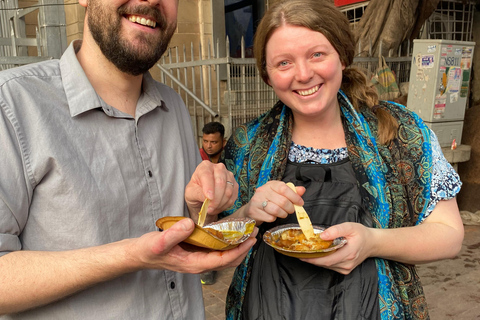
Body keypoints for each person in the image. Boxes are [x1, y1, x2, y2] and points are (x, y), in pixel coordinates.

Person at [0, 0, 257, 318]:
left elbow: (187, 240)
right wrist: (131, 255)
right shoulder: (11, 106)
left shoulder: (173, 106)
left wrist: (198, 209)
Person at [219, 0, 464, 319]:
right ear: (267, 74)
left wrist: (372, 242)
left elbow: (449, 235)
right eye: (283, 63)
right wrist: (249, 212)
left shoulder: (400, 133)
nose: (304, 75)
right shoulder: (247, 145)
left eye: (316, 54)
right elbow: (217, 249)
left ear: (342, 56)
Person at [198, 121, 226, 285]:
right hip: (205, 204)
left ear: (223, 142)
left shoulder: (230, 156)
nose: (208, 146)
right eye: (205, 141)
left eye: (214, 142)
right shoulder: (197, 155)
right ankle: (207, 270)